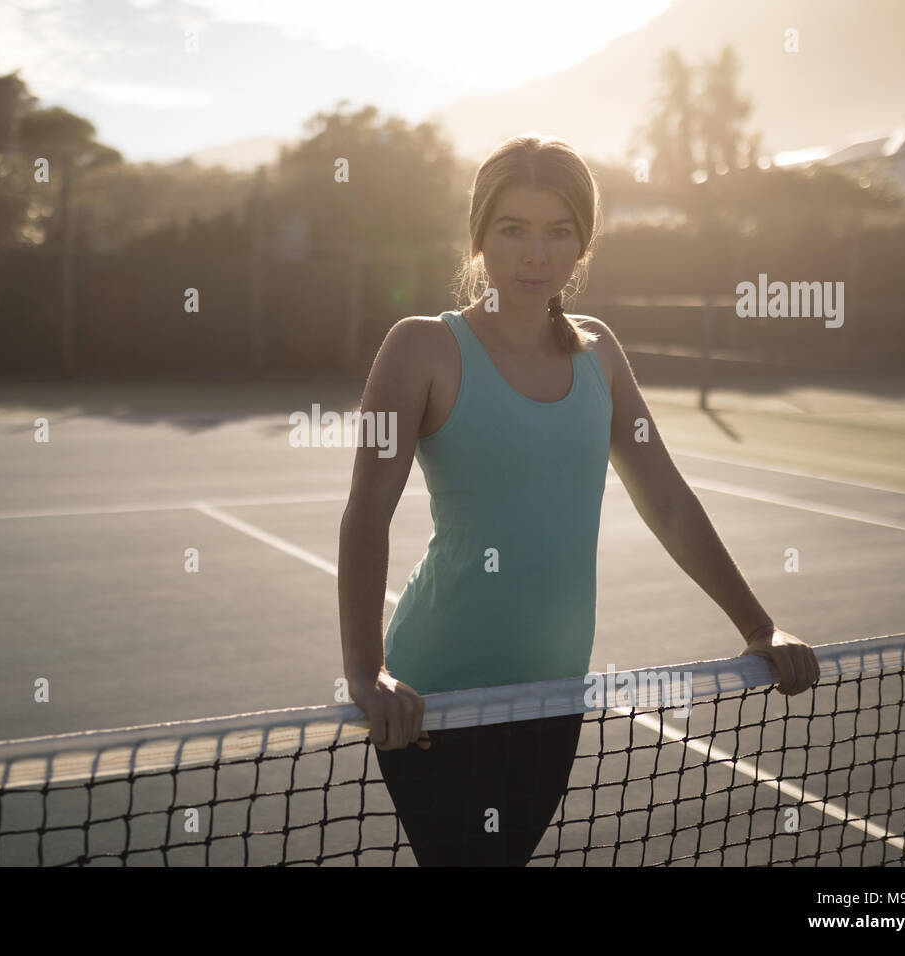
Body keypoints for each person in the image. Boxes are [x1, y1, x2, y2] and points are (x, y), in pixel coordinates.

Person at [336, 134, 820, 866]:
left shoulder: (601, 353)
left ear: (582, 243)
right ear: (479, 237)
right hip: (437, 696)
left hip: (554, 696)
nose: (537, 254)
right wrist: (366, 672)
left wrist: (760, 626)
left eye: (559, 231)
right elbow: (368, 512)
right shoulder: (420, 348)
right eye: (514, 229)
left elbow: (668, 503)